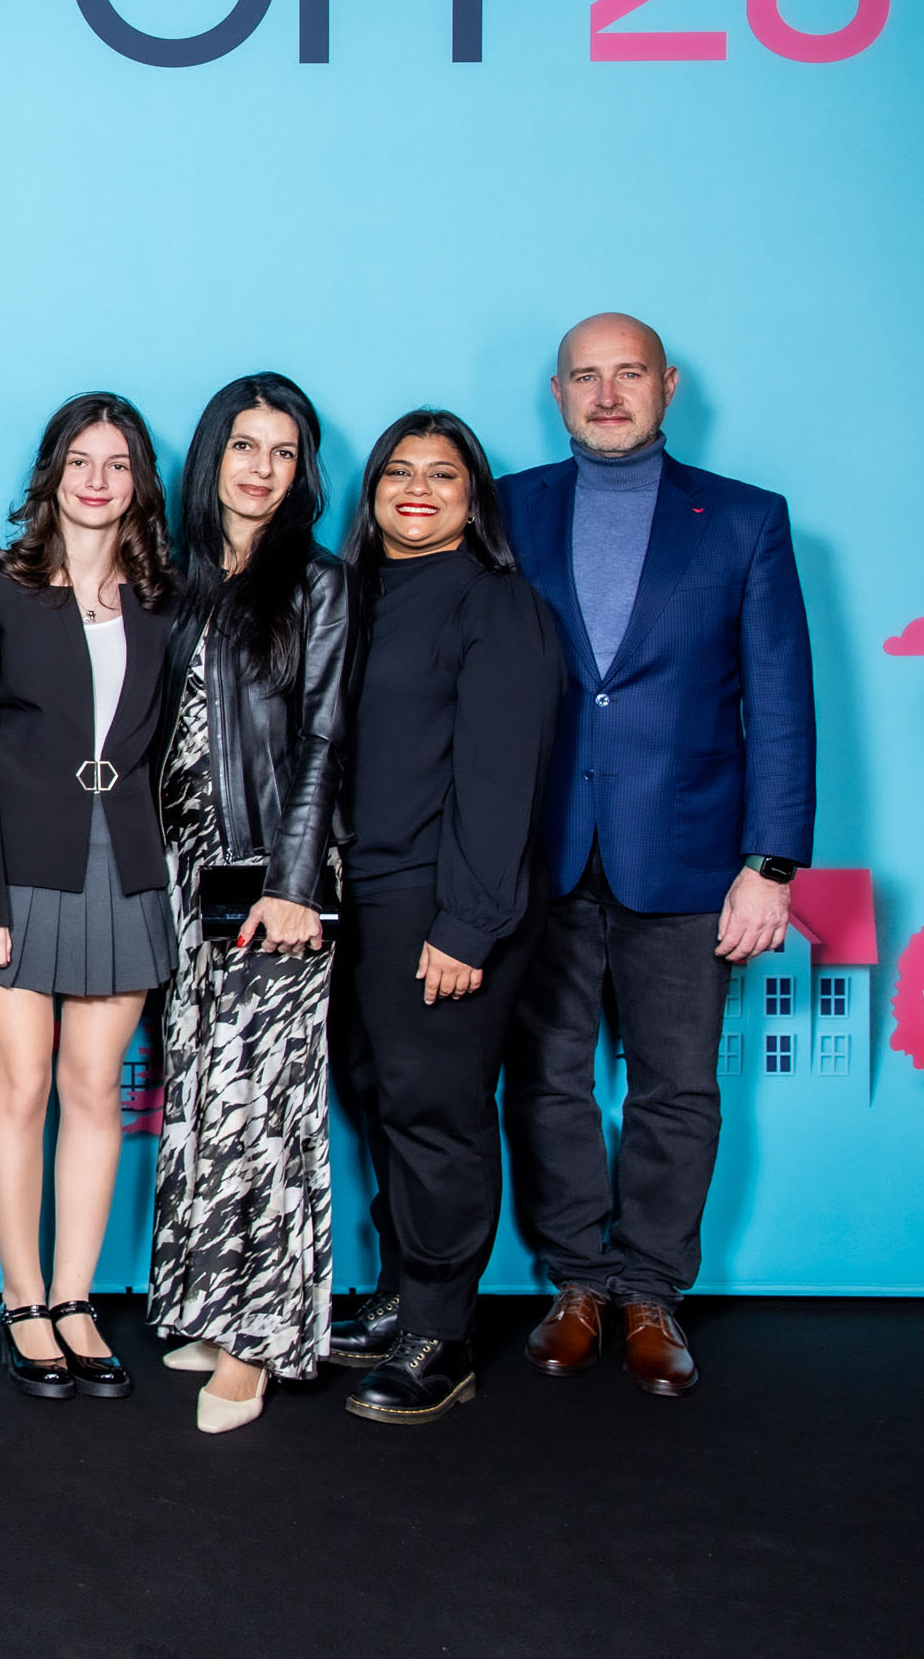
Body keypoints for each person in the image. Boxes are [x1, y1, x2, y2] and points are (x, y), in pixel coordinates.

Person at [502, 312, 815, 1397]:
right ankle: (577, 1283)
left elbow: (781, 701)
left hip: (687, 855)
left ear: (667, 384)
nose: (606, 394)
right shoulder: (507, 508)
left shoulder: (745, 519)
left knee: (677, 1085)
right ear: (557, 393)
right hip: (537, 851)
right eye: (584, 376)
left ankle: (650, 1292)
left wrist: (771, 864)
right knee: (547, 1079)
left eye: (627, 372)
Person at [328, 412, 563, 1425]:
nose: (417, 488)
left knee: (436, 1112)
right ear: (372, 489)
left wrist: (469, 923)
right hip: (352, 898)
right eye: (398, 470)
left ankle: (442, 1332)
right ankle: (399, 1294)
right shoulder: (351, 596)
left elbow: (503, 781)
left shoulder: (497, 604)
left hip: (441, 897)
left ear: (475, 501)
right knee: (379, 1098)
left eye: (443, 474)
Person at [0, 394, 179, 1408]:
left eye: (117, 464)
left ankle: (78, 1299)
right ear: (52, 472)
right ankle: (23, 1299)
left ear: (139, 483)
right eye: (80, 460)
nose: (97, 480)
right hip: (14, 869)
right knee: (23, 1085)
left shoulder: (164, 598)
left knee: (94, 1090)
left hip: (123, 864)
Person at [147, 373, 351, 1435]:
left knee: (265, 1108)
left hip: (270, 877)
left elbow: (323, 737)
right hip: (178, 878)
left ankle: (257, 1344)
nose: (262, 468)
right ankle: (208, 1308)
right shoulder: (173, 572)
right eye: (244, 445)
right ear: (211, 457)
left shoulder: (316, 580)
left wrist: (294, 882)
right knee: (200, 1100)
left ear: (303, 468)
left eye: (283, 450)